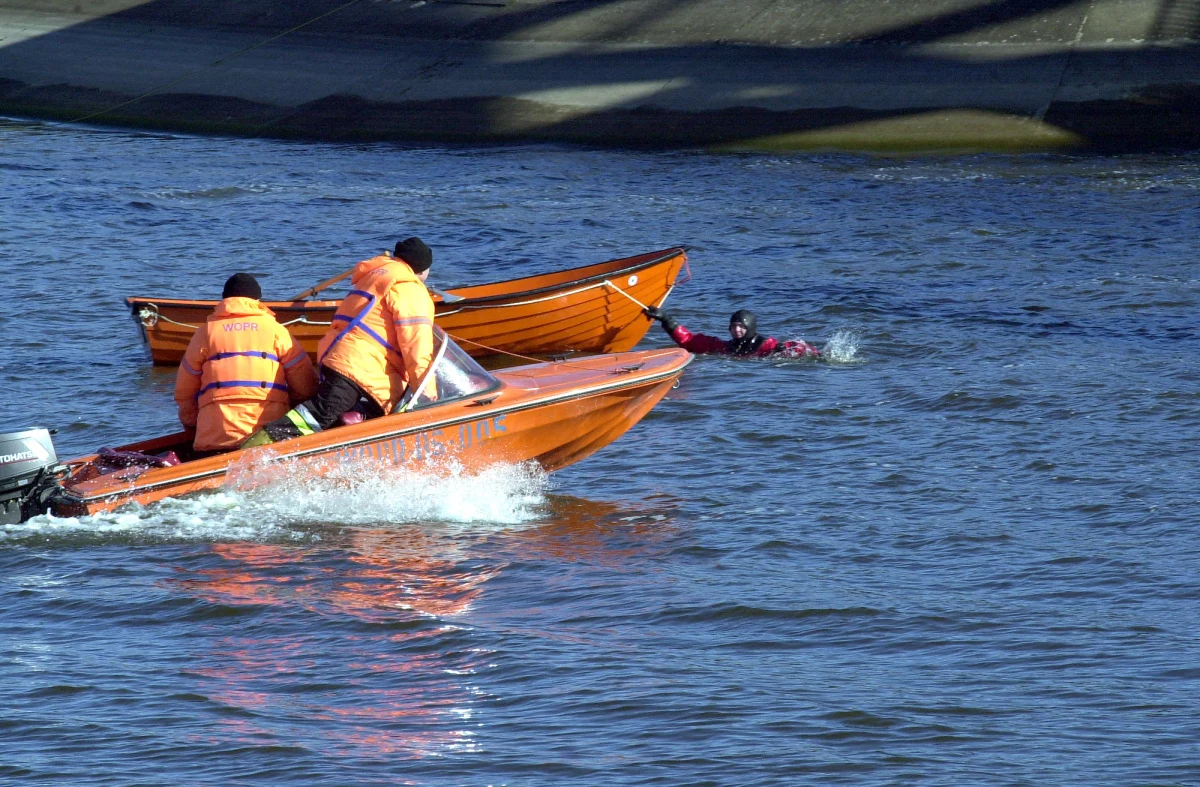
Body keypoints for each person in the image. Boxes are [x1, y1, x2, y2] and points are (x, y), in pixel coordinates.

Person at [246, 237, 437, 446]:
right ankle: (245, 457)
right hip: (358, 368)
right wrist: (428, 395)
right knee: (313, 417)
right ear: (422, 270)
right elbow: (417, 346)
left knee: (345, 417)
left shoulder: (374, 278)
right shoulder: (410, 288)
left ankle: (339, 449)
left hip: (339, 358)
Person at [174, 272, 319, 453]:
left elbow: (184, 392)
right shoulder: (275, 330)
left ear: (224, 300)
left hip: (215, 437)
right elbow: (305, 385)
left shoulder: (205, 333)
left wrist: (193, 423)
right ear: (258, 300)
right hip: (267, 434)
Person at [643, 306, 821, 358]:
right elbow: (689, 341)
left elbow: (798, 346)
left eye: (741, 327)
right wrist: (666, 319)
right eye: (733, 326)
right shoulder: (725, 347)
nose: (736, 330)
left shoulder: (766, 345)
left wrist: (791, 351)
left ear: (750, 328)